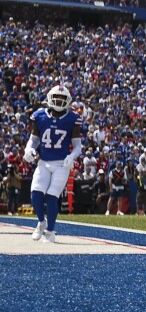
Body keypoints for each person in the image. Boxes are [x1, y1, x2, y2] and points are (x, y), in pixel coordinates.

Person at [25, 85, 85, 243]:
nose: (58, 101)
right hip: (44, 162)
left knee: (52, 197)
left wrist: (71, 156)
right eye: (56, 98)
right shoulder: (39, 116)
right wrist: (29, 150)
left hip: (61, 164)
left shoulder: (72, 118)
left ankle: (50, 231)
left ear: (67, 101)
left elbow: (78, 146)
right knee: (36, 195)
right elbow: (33, 140)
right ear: (50, 98)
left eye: (62, 99)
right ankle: (41, 222)